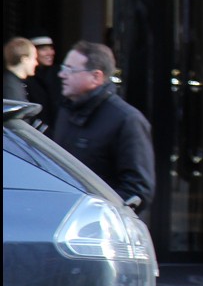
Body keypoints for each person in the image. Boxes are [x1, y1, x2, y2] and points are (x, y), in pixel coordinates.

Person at [52, 41, 155, 213]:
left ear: (96, 77)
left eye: (71, 69)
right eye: (64, 67)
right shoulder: (67, 110)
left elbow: (138, 190)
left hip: (96, 229)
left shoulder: (127, 120)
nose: (62, 74)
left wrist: (94, 215)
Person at [25, 35, 60, 130]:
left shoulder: (60, 74)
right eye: (43, 49)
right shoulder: (26, 78)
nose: (50, 53)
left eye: (51, 48)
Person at [4, 37, 36, 103]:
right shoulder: (11, 88)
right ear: (25, 60)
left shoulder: (11, 82)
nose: (36, 63)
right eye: (34, 58)